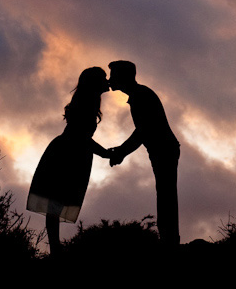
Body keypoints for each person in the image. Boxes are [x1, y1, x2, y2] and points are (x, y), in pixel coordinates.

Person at [27, 67, 112, 255]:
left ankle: (55, 247)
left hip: (73, 153)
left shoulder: (88, 101)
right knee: (56, 199)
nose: (107, 81)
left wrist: (104, 153)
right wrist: (105, 153)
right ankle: (55, 248)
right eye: (103, 78)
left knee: (57, 200)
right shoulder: (86, 102)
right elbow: (80, 135)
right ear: (94, 83)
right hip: (67, 154)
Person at [107, 60, 181, 248]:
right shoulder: (139, 94)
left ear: (122, 77)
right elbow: (142, 131)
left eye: (113, 75)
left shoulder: (141, 96)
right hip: (162, 150)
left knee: (166, 195)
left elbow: (142, 131)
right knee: (165, 194)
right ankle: (169, 240)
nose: (110, 79)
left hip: (164, 150)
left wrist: (121, 152)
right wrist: (122, 151)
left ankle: (169, 242)